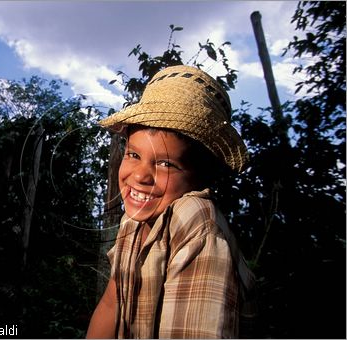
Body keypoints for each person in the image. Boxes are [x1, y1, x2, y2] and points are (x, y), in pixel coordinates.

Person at [86, 65, 256, 338]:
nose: (140, 175)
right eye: (133, 155)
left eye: (166, 163)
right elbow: (111, 303)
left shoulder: (197, 224)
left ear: (200, 178)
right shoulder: (133, 222)